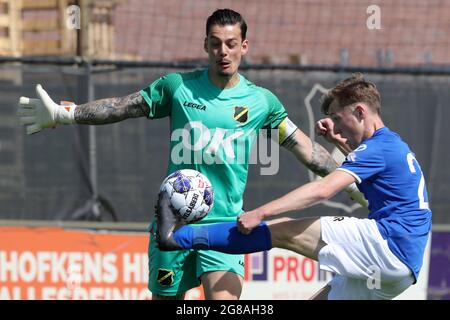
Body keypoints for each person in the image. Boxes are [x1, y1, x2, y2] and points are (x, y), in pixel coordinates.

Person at [17, 9, 365, 300]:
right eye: (215, 44)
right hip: (173, 225)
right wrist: (67, 114)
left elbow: (304, 148)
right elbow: (123, 106)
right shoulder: (177, 87)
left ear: (244, 46)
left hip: (226, 225)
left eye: (231, 44)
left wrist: (351, 185)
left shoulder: (262, 102)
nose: (223, 52)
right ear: (205, 46)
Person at [156, 73, 432, 300]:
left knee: (284, 230)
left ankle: (176, 237)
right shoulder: (391, 144)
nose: (335, 124)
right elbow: (373, 173)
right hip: (404, 267)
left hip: (388, 243)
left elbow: (323, 190)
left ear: (360, 111)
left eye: (338, 117)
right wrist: (339, 142)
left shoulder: (378, 149)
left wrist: (261, 213)